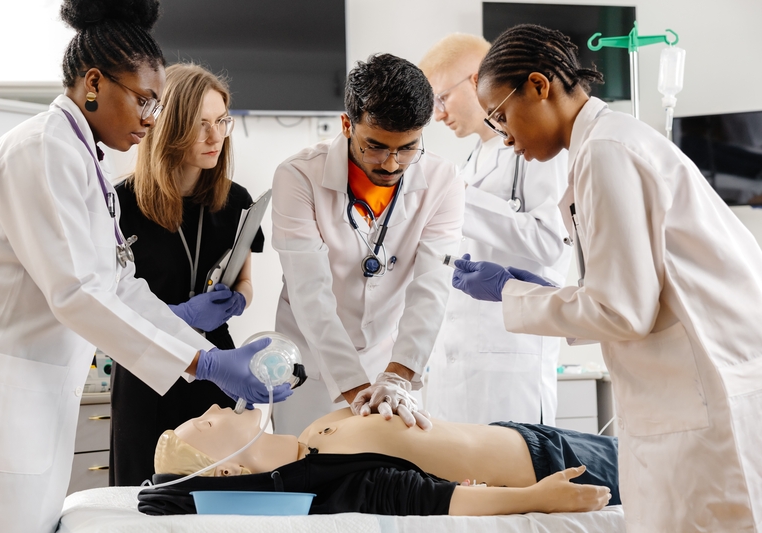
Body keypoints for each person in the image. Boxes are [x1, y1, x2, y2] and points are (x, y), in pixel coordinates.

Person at [0, 2, 291, 532]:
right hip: (4, 403)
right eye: (144, 101)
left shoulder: (80, 156)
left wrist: (208, 353)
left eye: (157, 106)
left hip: (33, 400)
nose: (150, 119)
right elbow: (79, 292)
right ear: (93, 82)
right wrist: (204, 364)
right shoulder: (42, 149)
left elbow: (119, 285)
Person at [452, 24, 762, 532]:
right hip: (696, 390)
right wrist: (549, 293)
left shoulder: (607, 151)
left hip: (701, 399)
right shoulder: (610, 143)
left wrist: (511, 291)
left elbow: (624, 311)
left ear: (538, 85)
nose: (505, 138)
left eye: (502, 117)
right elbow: (637, 294)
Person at [271, 54, 465, 435]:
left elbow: (431, 288)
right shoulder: (298, 176)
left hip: (391, 368)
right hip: (311, 366)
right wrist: (358, 390)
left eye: (408, 148)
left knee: (393, 483)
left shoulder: (444, 181)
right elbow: (310, 292)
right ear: (347, 125)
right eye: (375, 147)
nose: (392, 164)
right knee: (308, 471)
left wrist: (396, 379)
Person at [109, 63, 266, 486]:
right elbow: (106, 300)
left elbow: (246, 283)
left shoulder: (236, 201)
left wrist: (238, 301)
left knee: (221, 495)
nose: (215, 137)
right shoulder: (119, 204)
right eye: (200, 126)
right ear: (169, 126)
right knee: (143, 495)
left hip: (219, 369)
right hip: (147, 369)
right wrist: (182, 314)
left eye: (221, 122)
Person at [418, 33, 570, 425]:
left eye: (441, 98)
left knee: (510, 480)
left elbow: (550, 243)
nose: (438, 115)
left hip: (509, 357)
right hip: (456, 359)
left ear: (474, 81)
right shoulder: (471, 160)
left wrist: (457, 194)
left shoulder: (539, 149)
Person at [140, 404, 618, 516]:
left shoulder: (310, 437)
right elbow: (442, 501)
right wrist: (538, 498)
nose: (214, 408)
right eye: (204, 424)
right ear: (226, 471)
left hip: (530, 433)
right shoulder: (331, 481)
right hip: (559, 464)